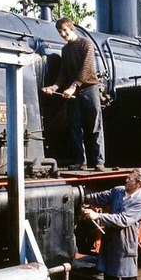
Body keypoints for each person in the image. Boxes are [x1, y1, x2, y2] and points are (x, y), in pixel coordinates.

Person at [42, 17, 106, 172]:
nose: (63, 34)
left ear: (71, 28)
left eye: (65, 30)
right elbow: (63, 73)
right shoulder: (65, 50)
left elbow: (87, 69)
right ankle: (79, 160)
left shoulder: (86, 44)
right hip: (73, 91)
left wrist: (73, 87)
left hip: (89, 88)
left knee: (94, 126)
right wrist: (54, 87)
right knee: (75, 127)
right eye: (60, 32)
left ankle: (98, 161)